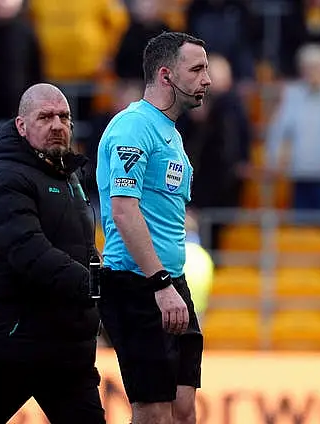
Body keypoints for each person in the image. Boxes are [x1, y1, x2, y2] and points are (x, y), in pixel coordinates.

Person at [0, 83, 104, 423]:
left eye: (64, 117)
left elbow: (87, 250)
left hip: (66, 348)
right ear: (21, 126)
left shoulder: (70, 179)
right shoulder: (6, 178)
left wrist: (104, 288)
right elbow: (29, 252)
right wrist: (95, 286)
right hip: (11, 344)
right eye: (45, 117)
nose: (57, 125)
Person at [96, 32, 211, 424]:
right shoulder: (133, 127)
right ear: (166, 75)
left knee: (183, 408)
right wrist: (159, 283)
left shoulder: (170, 134)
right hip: (139, 283)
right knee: (153, 411)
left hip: (170, 282)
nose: (207, 79)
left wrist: (170, 282)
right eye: (197, 69)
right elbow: (124, 211)